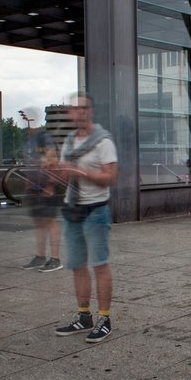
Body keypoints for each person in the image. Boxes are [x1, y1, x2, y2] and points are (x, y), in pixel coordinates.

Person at [54, 94, 118, 343]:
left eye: (83, 108)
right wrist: (54, 172)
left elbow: (111, 177)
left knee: (99, 265)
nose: (78, 113)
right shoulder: (69, 142)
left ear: (90, 111)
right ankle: (84, 316)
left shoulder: (103, 142)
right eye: (73, 109)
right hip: (73, 210)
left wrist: (79, 171)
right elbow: (64, 175)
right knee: (78, 265)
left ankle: (105, 319)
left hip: (96, 210)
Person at [20, 109, 63, 272]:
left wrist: (50, 185)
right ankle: (39, 256)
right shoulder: (30, 140)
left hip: (47, 187)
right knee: (39, 221)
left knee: (49, 221)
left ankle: (55, 259)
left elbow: (53, 160)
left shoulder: (44, 139)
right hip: (35, 188)